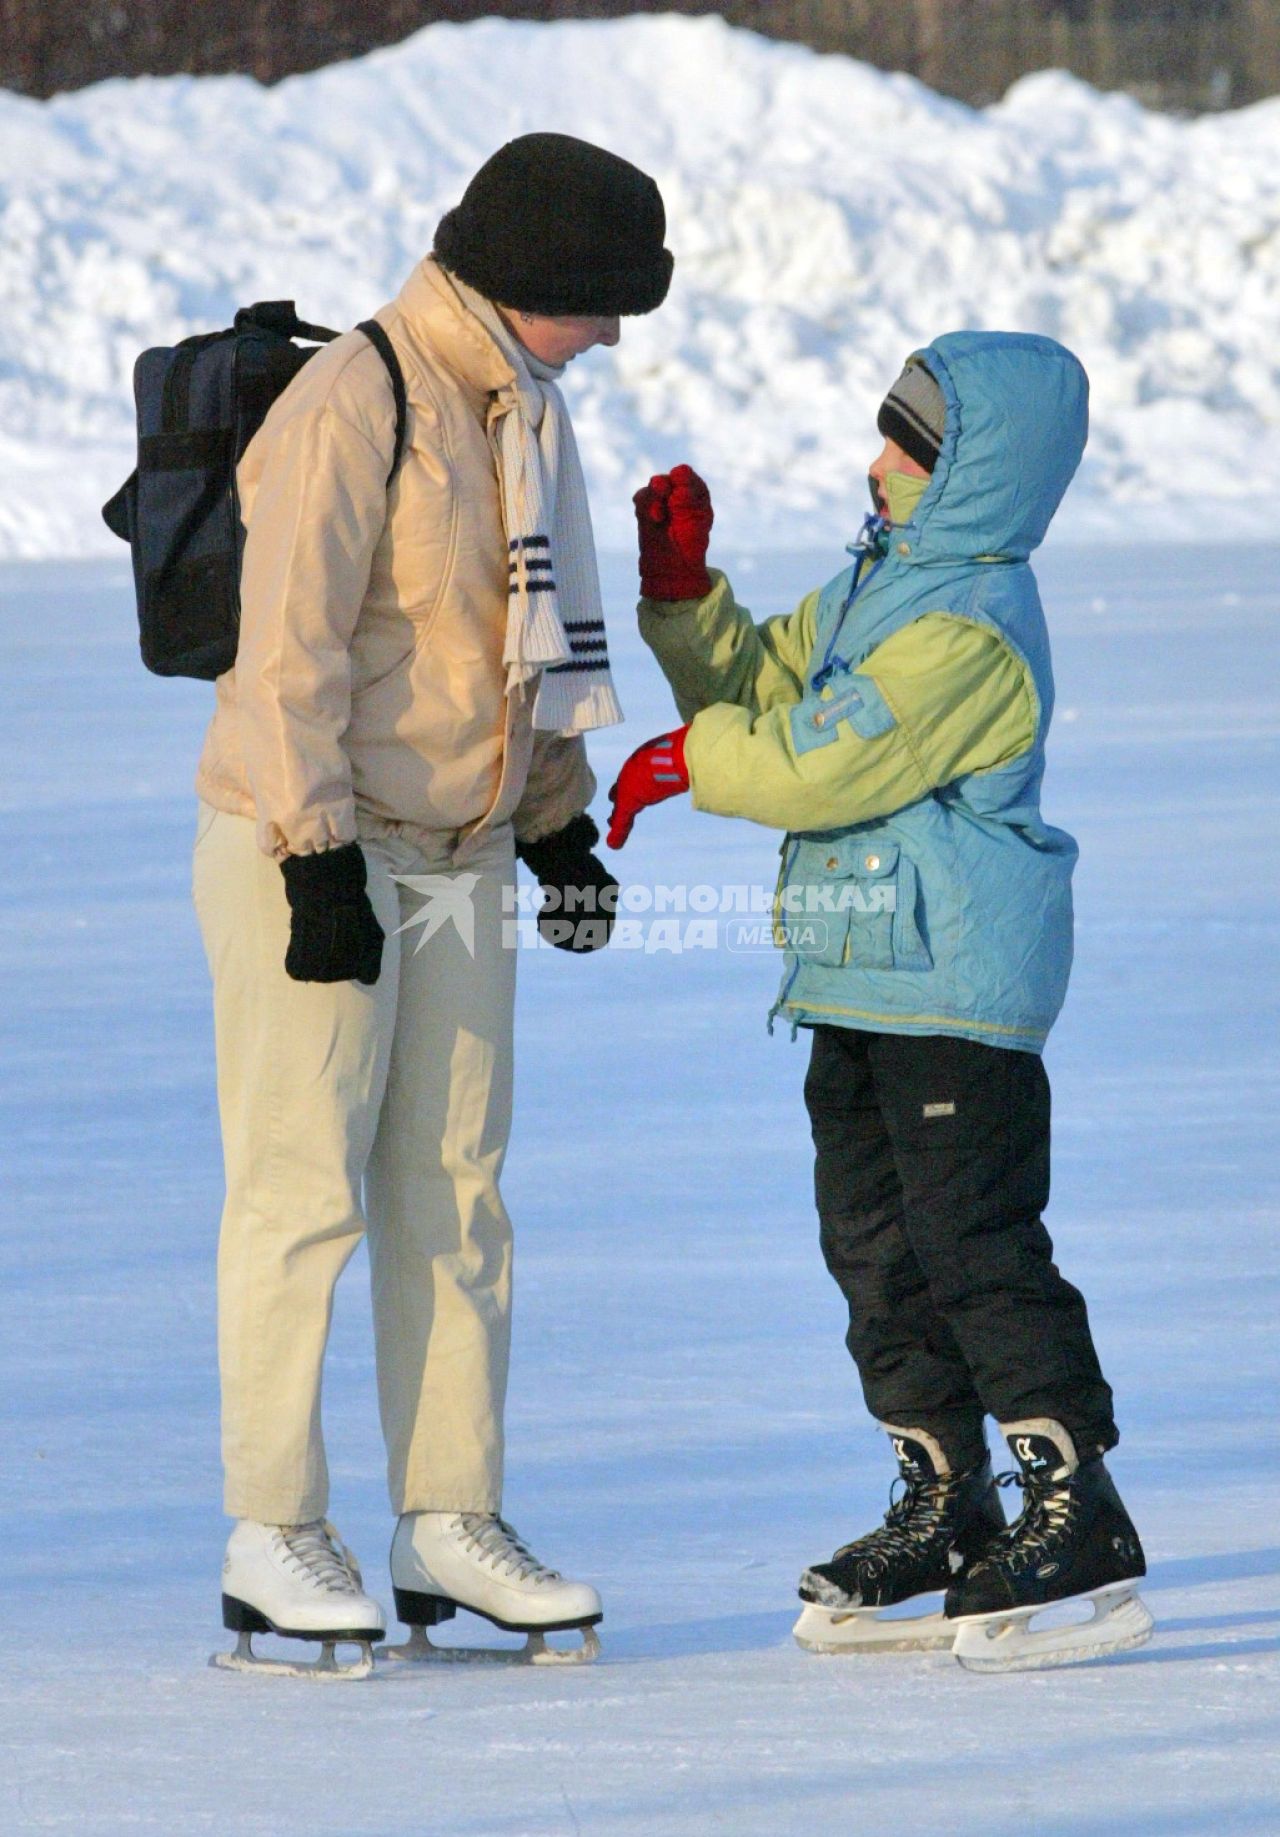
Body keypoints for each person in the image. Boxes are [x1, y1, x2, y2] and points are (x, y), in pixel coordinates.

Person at [192, 133, 673, 1675]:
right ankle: (272, 1527)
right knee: (301, 1189)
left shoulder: (525, 417)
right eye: (598, 306)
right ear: (529, 281)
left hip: (460, 854)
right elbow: (286, 657)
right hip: (313, 843)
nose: (607, 336)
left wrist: (553, 831)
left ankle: (445, 1519)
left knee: (457, 1193)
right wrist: (316, 859)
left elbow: (510, 653)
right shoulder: (360, 400)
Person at [608, 332, 1151, 1671]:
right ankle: (944, 1497)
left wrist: (692, 760)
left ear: (976, 473)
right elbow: (769, 687)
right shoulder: (882, 586)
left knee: (975, 1244)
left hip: (955, 988)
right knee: (875, 1252)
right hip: (859, 973)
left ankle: (1075, 1498)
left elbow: (818, 765)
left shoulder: (971, 629)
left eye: (908, 446)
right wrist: (685, 601)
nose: (878, 463)